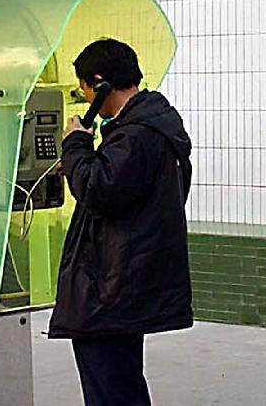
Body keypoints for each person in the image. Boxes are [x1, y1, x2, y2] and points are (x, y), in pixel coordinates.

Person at [48, 38, 193, 406]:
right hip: (126, 282)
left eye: (85, 92)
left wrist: (77, 145)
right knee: (120, 384)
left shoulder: (136, 135)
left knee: (111, 388)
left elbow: (99, 188)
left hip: (110, 288)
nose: (86, 103)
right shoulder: (150, 128)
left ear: (99, 85)